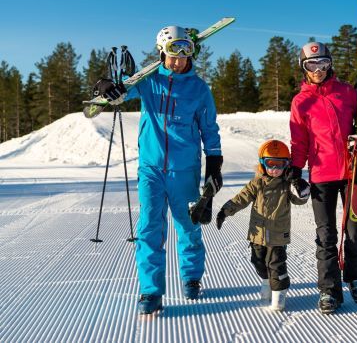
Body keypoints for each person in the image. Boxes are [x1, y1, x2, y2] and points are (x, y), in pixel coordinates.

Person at [93, 25, 223, 315]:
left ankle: (191, 276)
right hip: (151, 169)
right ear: (162, 52)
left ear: (191, 53)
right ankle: (150, 291)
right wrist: (105, 86)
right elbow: (120, 92)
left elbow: (210, 131)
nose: (179, 61)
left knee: (188, 226)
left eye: (185, 54)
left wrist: (214, 166)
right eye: (173, 55)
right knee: (150, 228)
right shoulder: (149, 81)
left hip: (185, 171)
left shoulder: (199, 89)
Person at [289, 41, 357, 314]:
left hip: (353, 170)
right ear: (303, 68)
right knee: (326, 234)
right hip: (321, 174)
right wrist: (295, 172)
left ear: (330, 64)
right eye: (311, 65)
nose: (317, 70)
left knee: (354, 229)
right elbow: (299, 142)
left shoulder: (346, 92)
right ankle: (329, 290)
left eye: (322, 64)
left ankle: (356, 277)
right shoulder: (301, 102)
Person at [215, 140, 310, 311]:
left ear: (287, 165)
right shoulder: (257, 183)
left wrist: (301, 186)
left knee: (276, 264)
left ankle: (279, 294)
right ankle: (266, 281)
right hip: (257, 233)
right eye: (270, 164)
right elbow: (241, 198)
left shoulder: (287, 185)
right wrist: (225, 211)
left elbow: (300, 199)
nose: (275, 169)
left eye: (280, 165)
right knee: (258, 261)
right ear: (262, 164)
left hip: (278, 235)